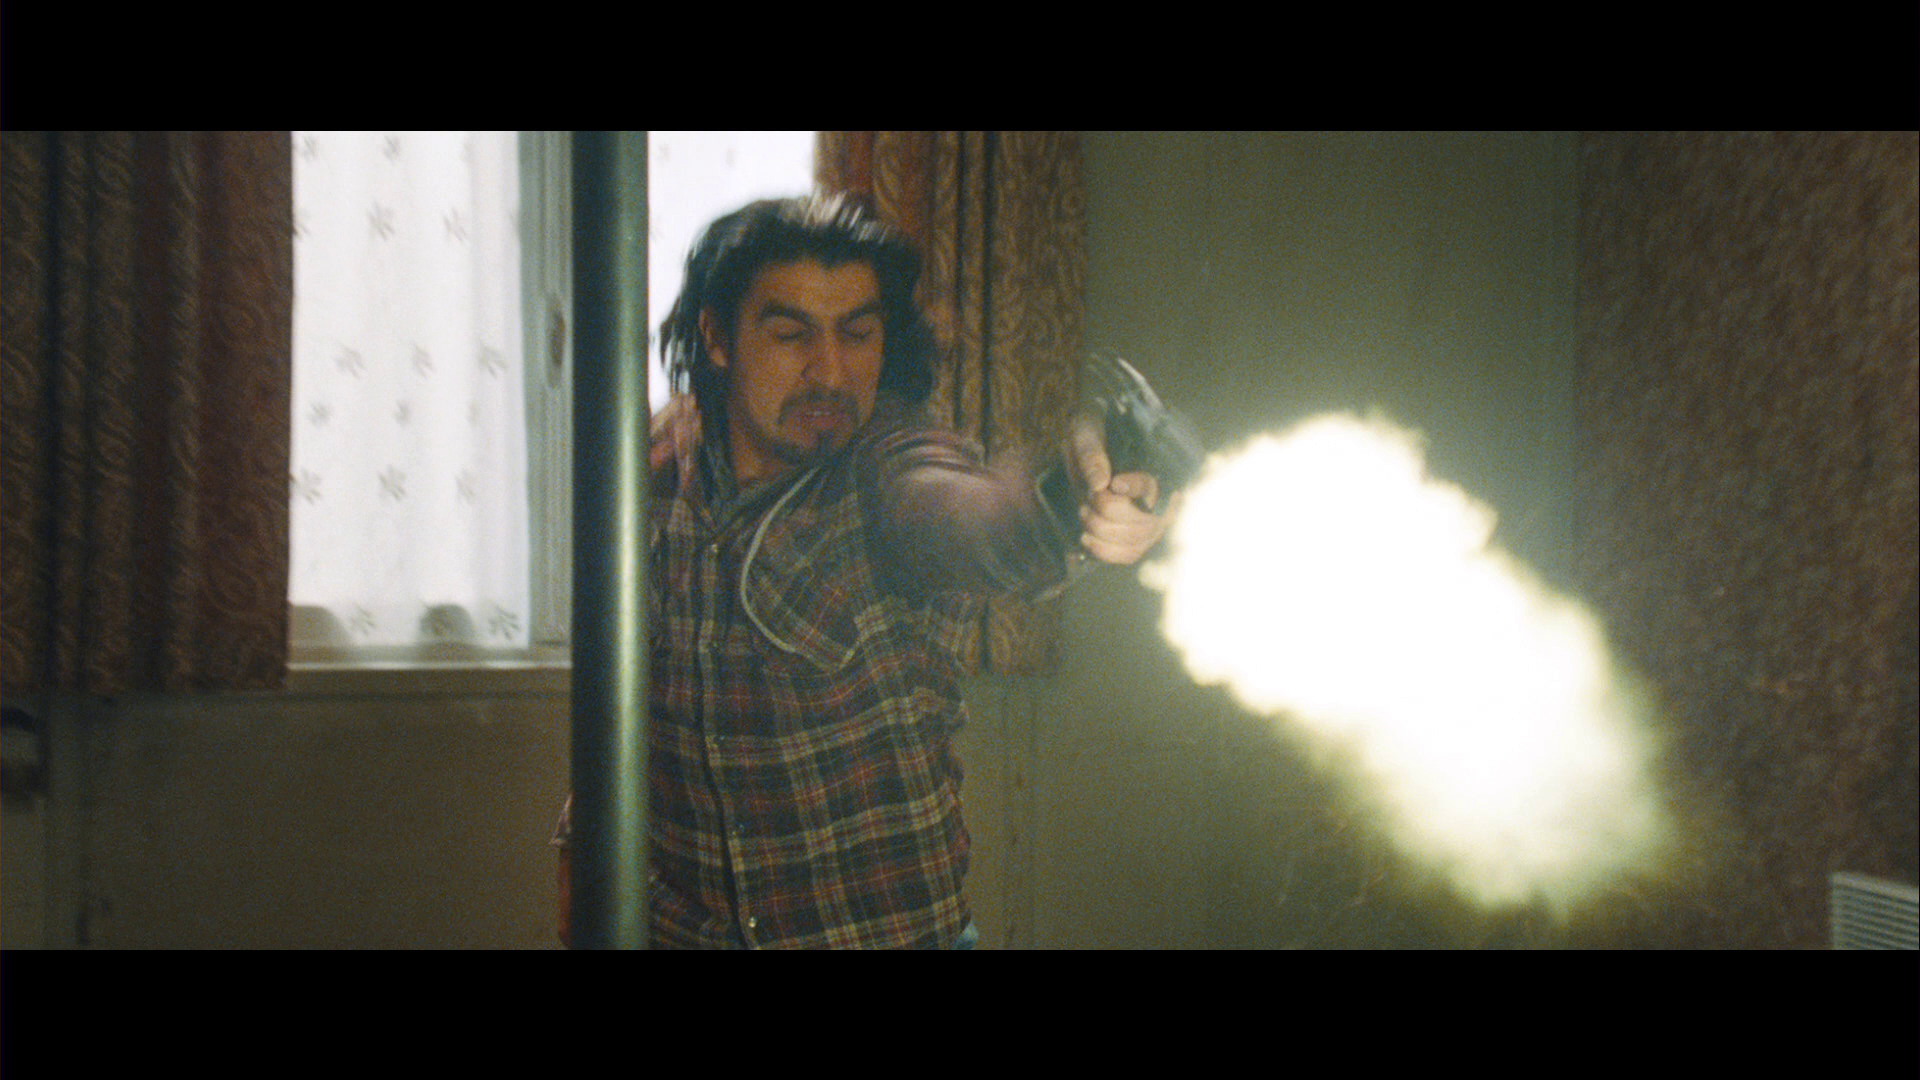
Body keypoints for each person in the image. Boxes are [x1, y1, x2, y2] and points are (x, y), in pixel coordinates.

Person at [555, 193, 1176, 949]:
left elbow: (970, 516)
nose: (831, 371)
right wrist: (579, 862)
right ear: (717, 338)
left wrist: (1069, 502)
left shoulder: (889, 464)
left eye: (858, 333)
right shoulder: (654, 472)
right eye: (791, 334)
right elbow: (620, 720)